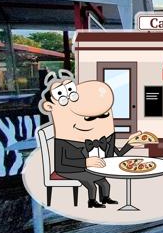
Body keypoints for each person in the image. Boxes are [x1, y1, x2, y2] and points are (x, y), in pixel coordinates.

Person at [39, 70, 144, 208]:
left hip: (92, 167)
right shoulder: (64, 141)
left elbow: (116, 154)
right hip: (69, 169)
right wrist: (86, 162)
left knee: (104, 182)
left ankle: (105, 198)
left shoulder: (104, 139)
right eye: (89, 118)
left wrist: (130, 144)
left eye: (104, 115)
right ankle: (92, 202)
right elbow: (62, 163)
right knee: (90, 183)